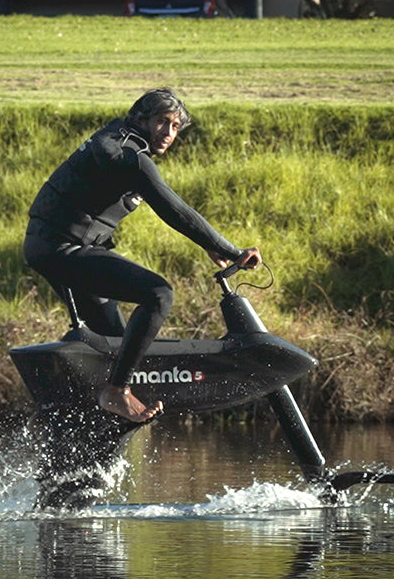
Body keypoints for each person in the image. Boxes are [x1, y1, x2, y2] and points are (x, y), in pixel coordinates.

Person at [23, 88, 262, 423]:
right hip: (62, 249)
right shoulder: (127, 154)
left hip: (53, 246)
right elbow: (174, 209)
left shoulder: (120, 140)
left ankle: (80, 440)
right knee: (158, 294)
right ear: (139, 118)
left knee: (118, 347)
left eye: (176, 127)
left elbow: (167, 208)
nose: (168, 132)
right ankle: (116, 393)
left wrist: (207, 244)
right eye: (162, 122)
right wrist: (231, 250)